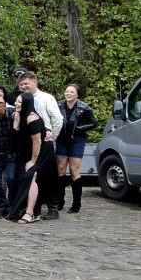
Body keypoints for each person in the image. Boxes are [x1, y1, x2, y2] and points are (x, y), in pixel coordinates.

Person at [9, 93, 57, 224]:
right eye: (16, 101)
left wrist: (33, 161)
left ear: (27, 103)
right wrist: (16, 123)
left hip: (42, 152)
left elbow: (37, 142)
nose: (16, 104)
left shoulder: (32, 118)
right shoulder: (16, 115)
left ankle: (30, 213)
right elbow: (16, 137)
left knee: (31, 176)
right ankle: (30, 210)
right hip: (27, 152)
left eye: (19, 102)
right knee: (23, 177)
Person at [55, 83, 97, 213]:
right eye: (67, 91)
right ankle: (59, 201)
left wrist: (80, 128)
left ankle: (76, 203)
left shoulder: (84, 108)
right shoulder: (58, 105)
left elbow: (94, 123)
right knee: (60, 169)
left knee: (74, 170)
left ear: (77, 94)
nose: (68, 94)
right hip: (62, 139)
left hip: (77, 140)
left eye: (72, 92)